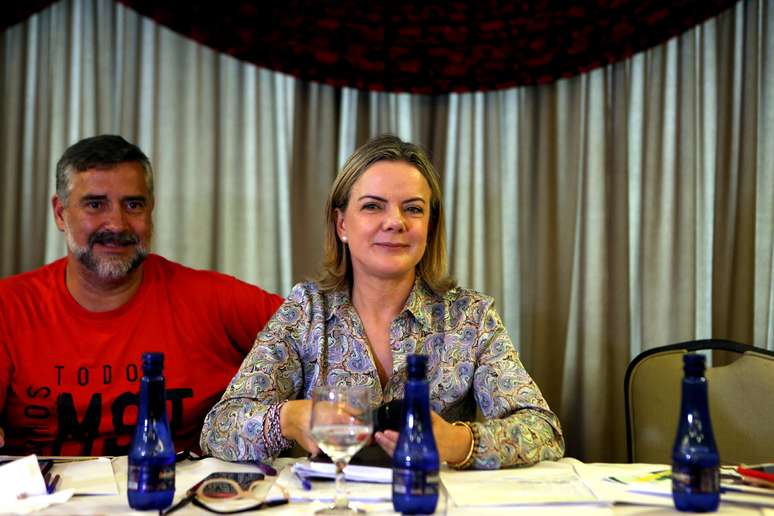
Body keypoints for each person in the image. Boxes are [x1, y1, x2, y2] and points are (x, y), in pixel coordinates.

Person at [201, 135, 564, 469]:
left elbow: (543, 430)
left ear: (430, 227)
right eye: (373, 206)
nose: (395, 222)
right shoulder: (305, 311)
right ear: (342, 224)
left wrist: (456, 442)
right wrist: (292, 419)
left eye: (414, 209)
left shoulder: (471, 317)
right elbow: (218, 429)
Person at [0, 135, 283, 456]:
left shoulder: (214, 300)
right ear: (60, 213)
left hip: (176, 500)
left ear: (151, 210)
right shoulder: (9, 307)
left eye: (133, 205)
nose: (117, 223)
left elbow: (322, 336)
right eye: (95, 204)